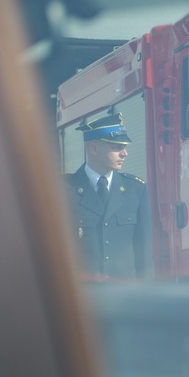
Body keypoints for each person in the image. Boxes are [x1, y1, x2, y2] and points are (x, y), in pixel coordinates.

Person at [66, 112, 152, 279]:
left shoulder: (135, 189)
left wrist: (146, 295)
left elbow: (144, 253)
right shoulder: (64, 190)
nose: (124, 153)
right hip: (83, 296)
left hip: (125, 297)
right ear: (94, 148)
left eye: (124, 147)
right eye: (116, 147)